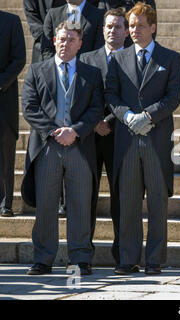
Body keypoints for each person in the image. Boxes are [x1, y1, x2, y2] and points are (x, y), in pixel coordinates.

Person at [105, 2, 180, 275]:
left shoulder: (170, 58)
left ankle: (154, 260)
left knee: (158, 202)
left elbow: (173, 97)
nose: (134, 30)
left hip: (156, 138)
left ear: (153, 27)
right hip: (126, 140)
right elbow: (111, 96)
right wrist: (127, 117)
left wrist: (148, 117)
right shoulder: (118, 58)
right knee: (127, 202)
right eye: (131, 25)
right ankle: (128, 258)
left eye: (139, 25)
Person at [21, 21, 104, 276]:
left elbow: (96, 109)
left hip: (80, 146)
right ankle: (43, 258)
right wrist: (55, 132)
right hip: (48, 147)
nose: (65, 44)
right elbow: (30, 108)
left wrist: (75, 131)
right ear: (54, 40)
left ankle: (80, 258)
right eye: (62, 39)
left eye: (71, 40)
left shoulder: (92, 74)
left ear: (80, 44)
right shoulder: (36, 71)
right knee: (46, 204)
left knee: (80, 204)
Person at [79, 7, 129, 265]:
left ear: (127, 30)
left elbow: (131, 97)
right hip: (89, 135)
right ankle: (83, 255)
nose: (113, 30)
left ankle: (122, 254)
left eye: (118, 26)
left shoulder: (133, 58)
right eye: (109, 26)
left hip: (121, 134)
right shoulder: (87, 59)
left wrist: (108, 120)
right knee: (87, 195)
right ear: (102, 29)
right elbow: (83, 96)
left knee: (121, 196)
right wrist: (95, 122)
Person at [0, 11, 26, 218]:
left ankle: (5, 202)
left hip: (4, 99)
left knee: (5, 154)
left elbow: (19, 59)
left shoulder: (12, 21)